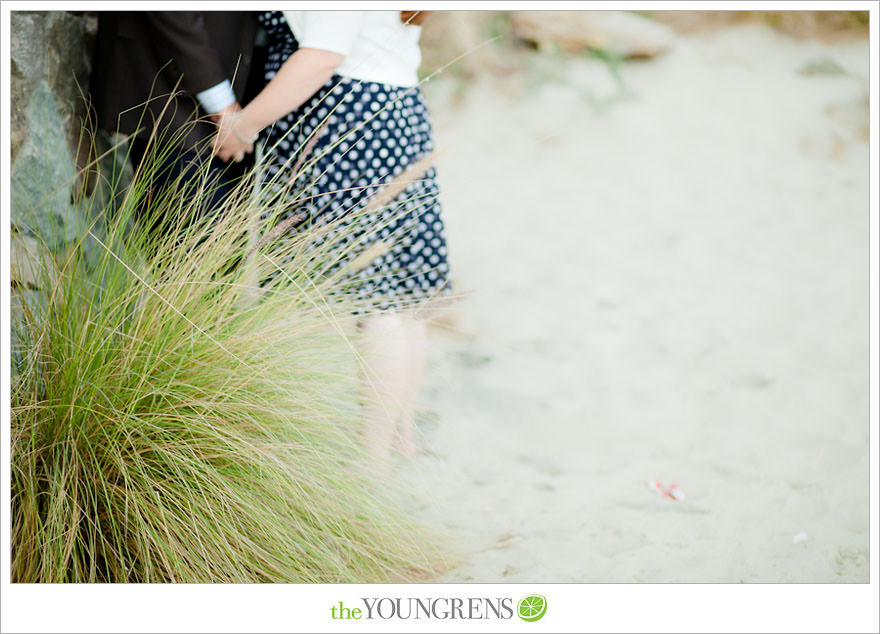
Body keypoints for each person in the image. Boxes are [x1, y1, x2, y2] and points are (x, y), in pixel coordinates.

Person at [213, 10, 451, 467]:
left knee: (376, 305)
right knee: (400, 299)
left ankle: (371, 463)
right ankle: (399, 439)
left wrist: (242, 126)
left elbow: (322, 56)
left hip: (347, 120)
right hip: (397, 111)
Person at [89, 11, 262, 228]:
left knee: (229, 246)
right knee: (193, 245)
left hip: (246, 93)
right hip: (168, 92)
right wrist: (223, 107)